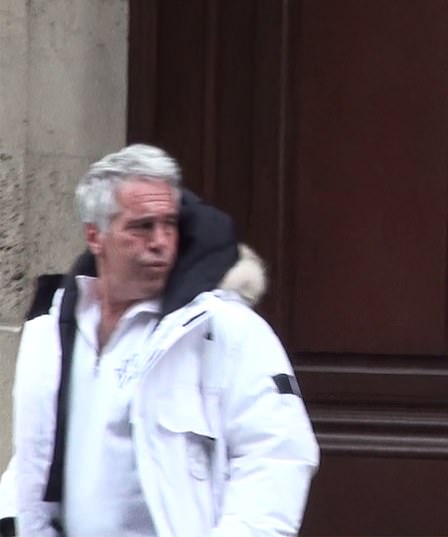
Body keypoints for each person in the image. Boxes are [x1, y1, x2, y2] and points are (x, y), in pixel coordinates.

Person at [12, 144, 320, 537]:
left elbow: (276, 456)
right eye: (142, 226)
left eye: (169, 224)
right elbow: (33, 457)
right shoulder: (53, 329)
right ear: (95, 235)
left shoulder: (221, 329)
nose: (160, 241)